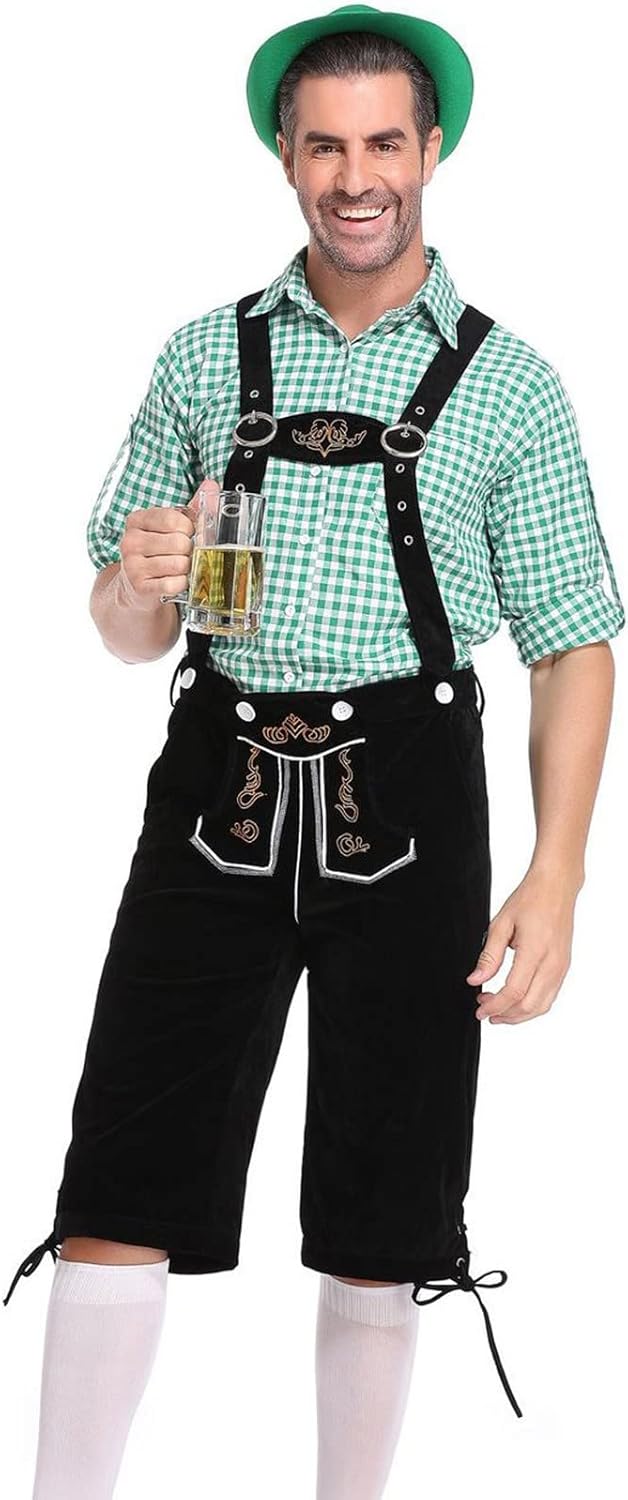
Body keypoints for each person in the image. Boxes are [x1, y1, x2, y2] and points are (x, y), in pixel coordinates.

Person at [4, 6, 625, 1497]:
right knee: (122, 1172)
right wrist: (136, 579)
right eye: (326, 146)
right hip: (212, 788)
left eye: (383, 143)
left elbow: (573, 643)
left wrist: (557, 874)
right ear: (284, 157)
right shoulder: (203, 355)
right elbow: (125, 634)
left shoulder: (511, 383)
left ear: (432, 150)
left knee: (383, 1202)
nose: (358, 178)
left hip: (409, 800)